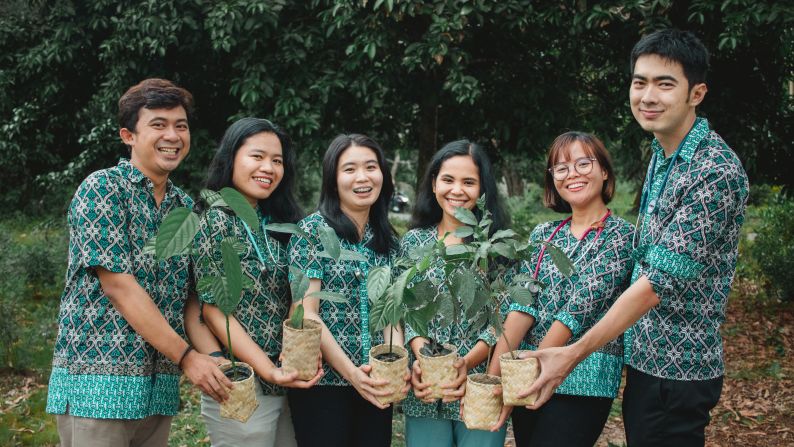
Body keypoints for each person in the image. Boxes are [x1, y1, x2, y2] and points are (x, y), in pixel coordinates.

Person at [523, 29, 749, 447]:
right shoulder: (663, 156)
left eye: (665, 84)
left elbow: (654, 284)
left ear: (696, 93)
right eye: (639, 81)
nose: (647, 96)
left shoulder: (714, 171)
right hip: (646, 363)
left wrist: (572, 353)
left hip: (677, 370)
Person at [46, 78, 231, 447]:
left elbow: (190, 302)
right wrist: (188, 358)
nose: (173, 135)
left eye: (181, 125)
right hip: (99, 388)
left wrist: (214, 358)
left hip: (157, 389)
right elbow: (119, 287)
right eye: (158, 125)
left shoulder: (183, 209)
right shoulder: (102, 189)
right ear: (128, 135)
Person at [184, 118, 323, 447]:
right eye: (257, 157)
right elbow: (213, 310)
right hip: (241, 379)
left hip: (285, 377)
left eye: (277, 161)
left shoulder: (280, 223)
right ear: (230, 158)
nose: (269, 168)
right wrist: (267, 370)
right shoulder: (213, 219)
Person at [488, 132, 634, 446]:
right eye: (561, 167)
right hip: (525, 374)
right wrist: (495, 379)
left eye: (583, 163)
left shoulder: (621, 235)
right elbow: (521, 306)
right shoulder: (544, 234)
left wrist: (533, 369)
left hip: (583, 379)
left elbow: (579, 308)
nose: (573, 174)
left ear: (604, 171)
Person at [286, 134, 408, 447]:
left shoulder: (388, 242)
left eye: (371, 166)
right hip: (323, 385)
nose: (363, 177)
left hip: (375, 382)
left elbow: (391, 317)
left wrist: (393, 366)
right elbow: (307, 313)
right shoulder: (313, 231)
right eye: (350, 169)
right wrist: (353, 375)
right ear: (333, 179)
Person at [401, 140, 509, 447]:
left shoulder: (494, 247)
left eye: (469, 182)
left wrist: (467, 362)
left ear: (482, 189)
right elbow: (407, 310)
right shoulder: (412, 242)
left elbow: (503, 316)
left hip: (478, 384)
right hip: (425, 384)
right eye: (448, 179)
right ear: (434, 183)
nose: (457, 190)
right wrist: (423, 357)